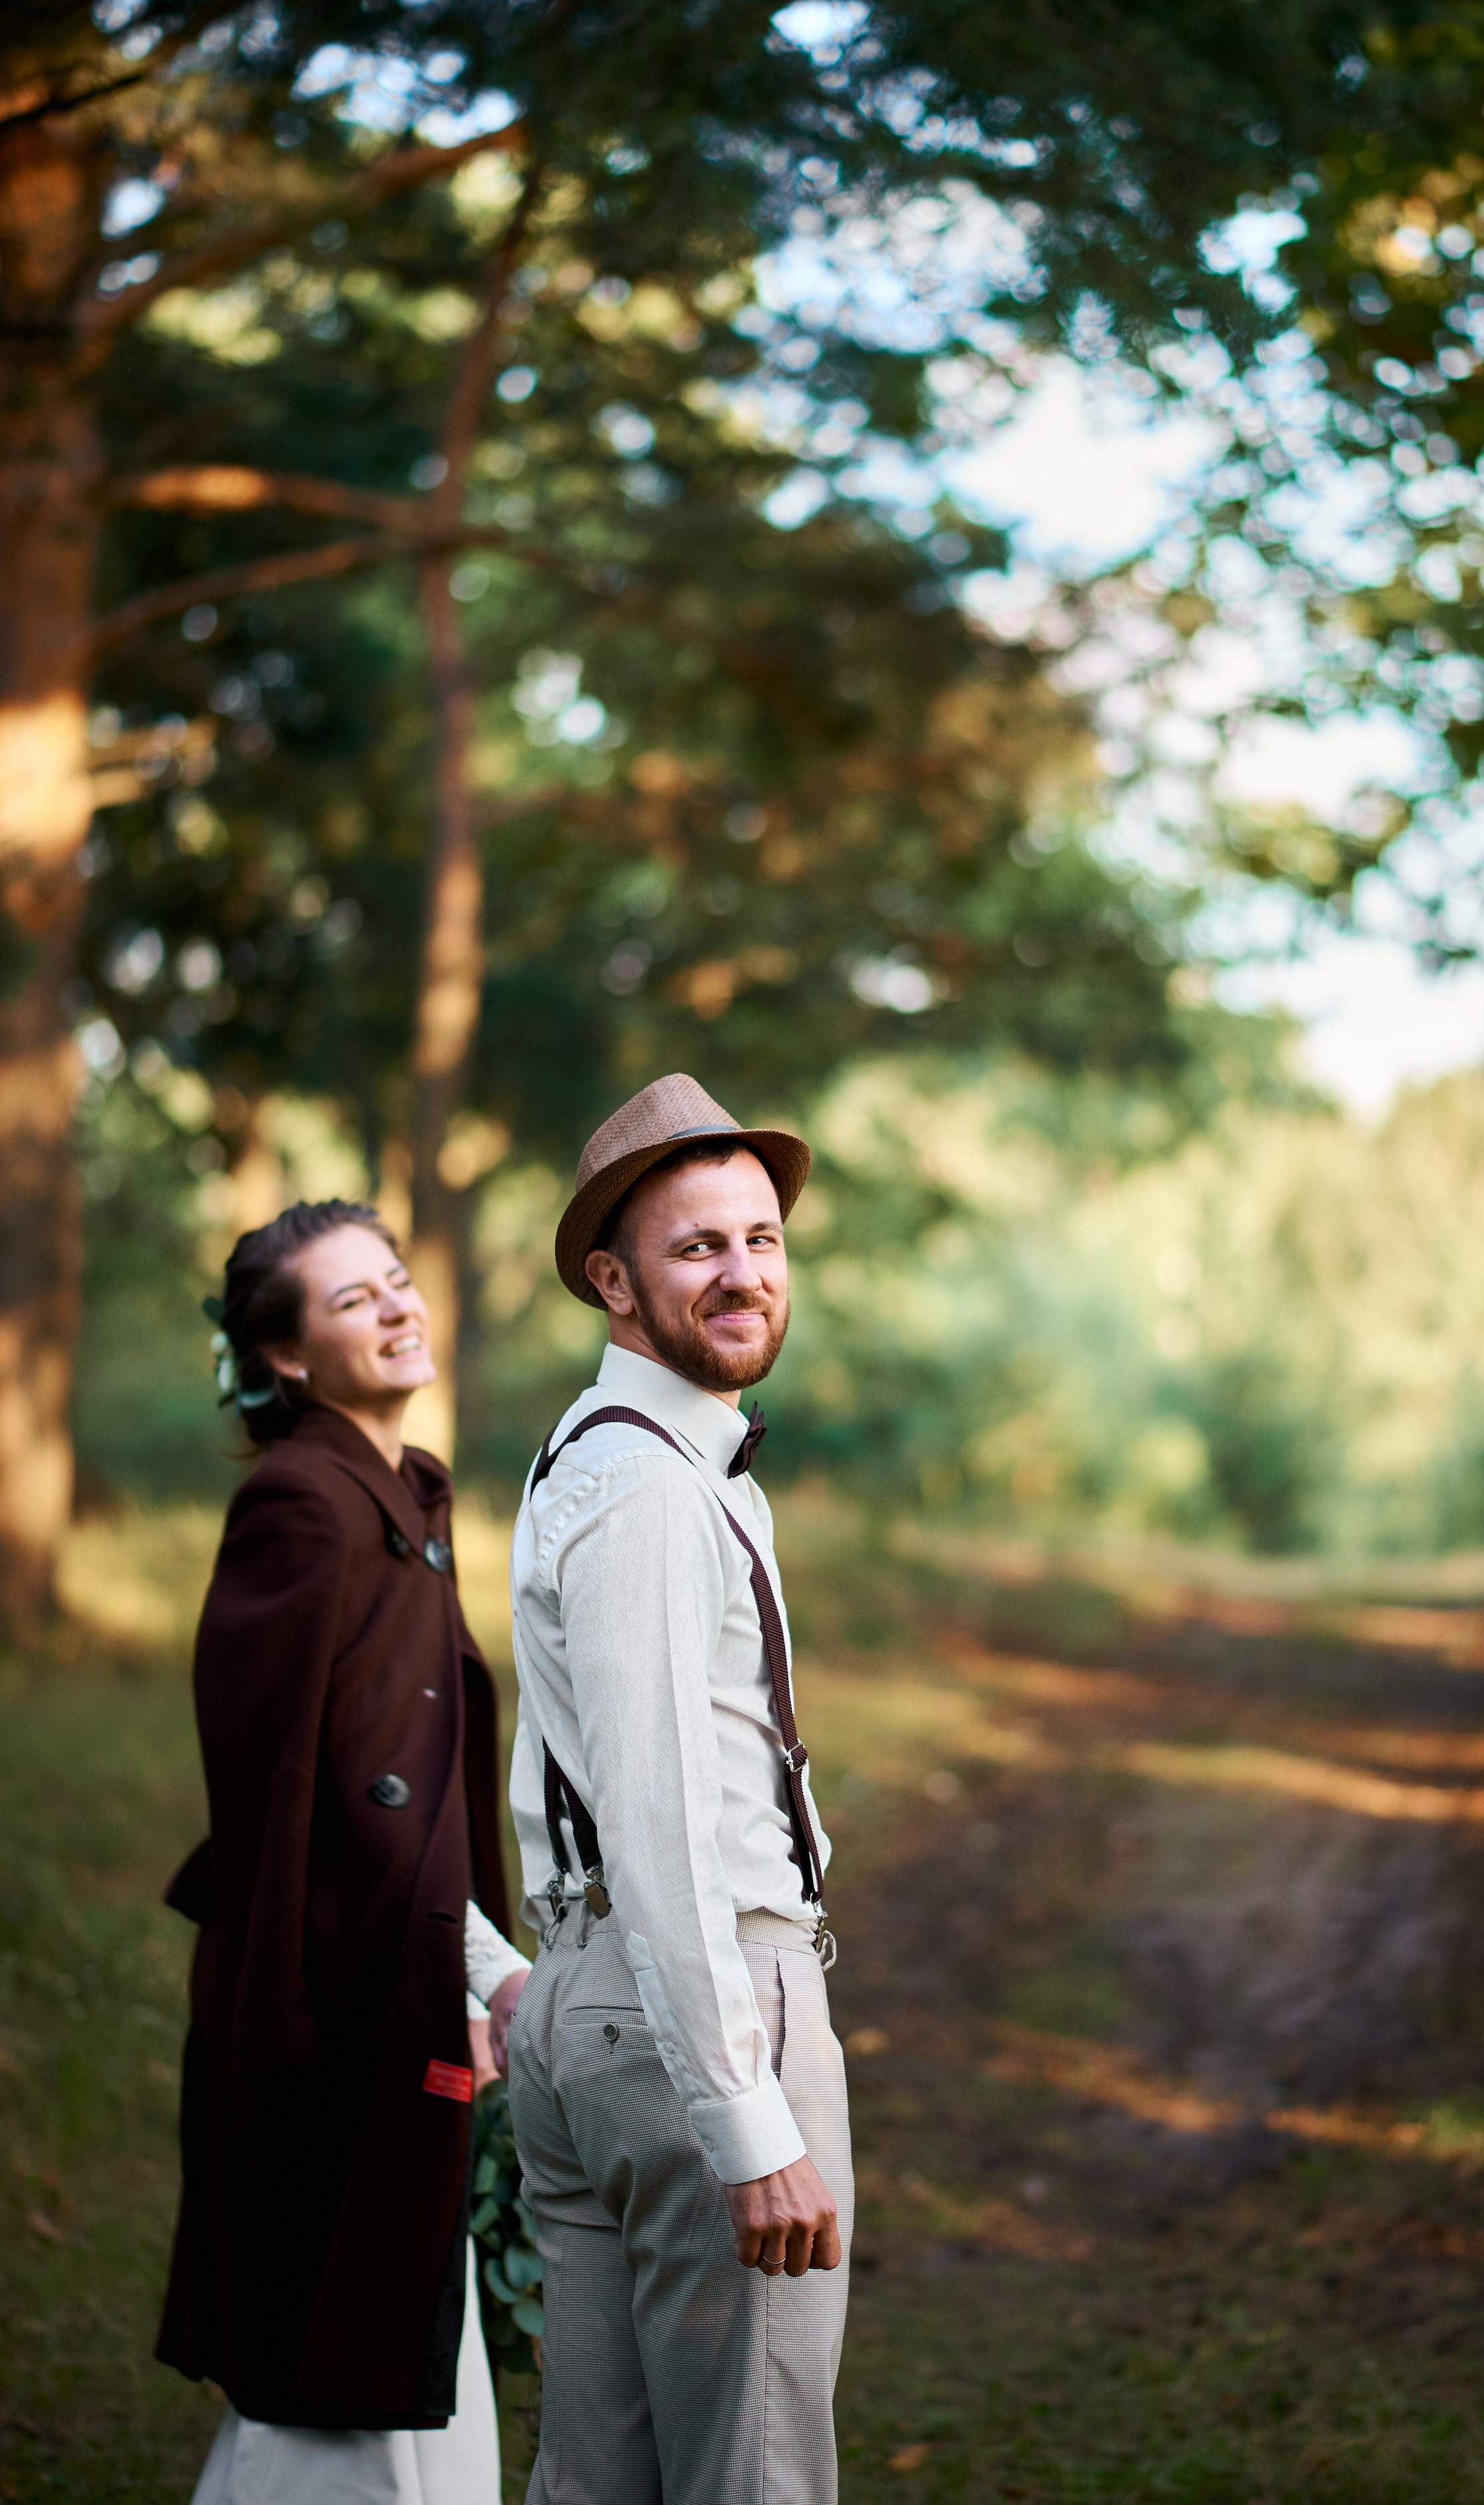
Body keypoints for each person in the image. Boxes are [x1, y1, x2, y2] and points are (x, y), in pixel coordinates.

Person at [506, 1073, 850, 2505]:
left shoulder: (598, 1455)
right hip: (700, 2017)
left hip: (587, 2006)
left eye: (760, 1239)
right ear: (613, 1279)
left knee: (599, 2477)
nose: (741, 1272)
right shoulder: (646, 1485)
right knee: (749, 2473)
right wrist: (747, 2117)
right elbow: (657, 1820)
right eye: (696, 1246)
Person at [156, 1198, 532, 2504]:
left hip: (399, 1991)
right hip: (331, 2017)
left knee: (406, 2368)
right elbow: (303, 1806)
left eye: (395, 1279)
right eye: (351, 1298)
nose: (395, 1303)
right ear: (287, 1361)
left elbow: (416, 1792)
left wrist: (473, 1964)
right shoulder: (300, 1507)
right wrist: (485, 1967)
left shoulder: (400, 1503)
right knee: (334, 2389)